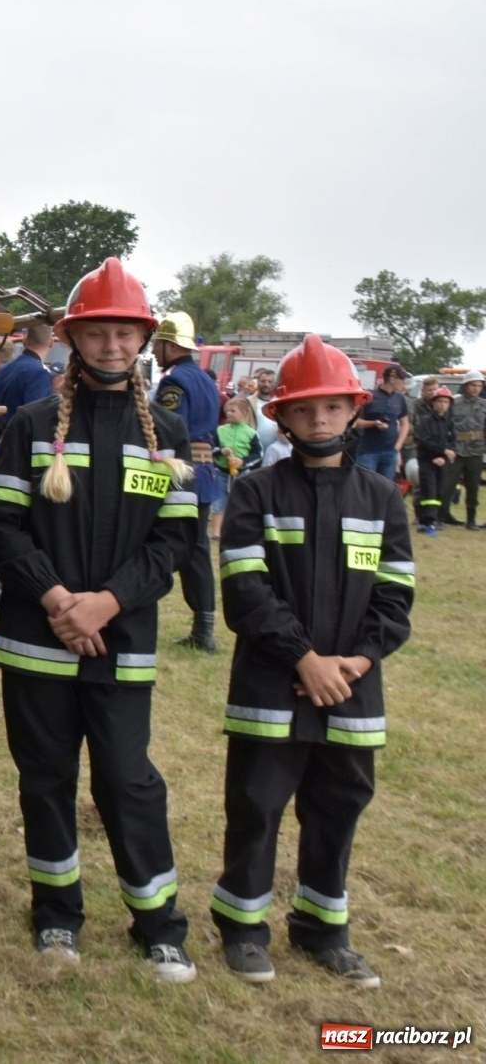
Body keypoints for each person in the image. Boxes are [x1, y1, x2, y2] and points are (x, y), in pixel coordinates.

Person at [0, 258, 201, 984]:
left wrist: (106, 602)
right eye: (98, 332)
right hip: (37, 640)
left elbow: (174, 541)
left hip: (122, 639)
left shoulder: (165, 432)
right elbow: (3, 528)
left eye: (125, 332)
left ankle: (159, 924)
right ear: (74, 338)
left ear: (143, 337)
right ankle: (56, 916)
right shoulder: (30, 425)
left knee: (125, 777)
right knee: (45, 778)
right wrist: (56, 601)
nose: (112, 345)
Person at [211, 334, 413, 987]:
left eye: (331, 407)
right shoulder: (256, 493)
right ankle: (243, 928)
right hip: (273, 682)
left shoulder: (383, 499)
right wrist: (303, 657)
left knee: (338, 806)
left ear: (354, 410)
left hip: (352, 687)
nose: (319, 420)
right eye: (304, 409)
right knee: (257, 804)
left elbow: (396, 595)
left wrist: (355, 661)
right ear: (283, 417)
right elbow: (246, 591)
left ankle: (323, 929)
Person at [152, 311, 223, 654]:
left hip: (181, 474)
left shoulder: (173, 382)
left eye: (157, 344)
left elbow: (168, 428)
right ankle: (203, 627)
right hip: (205, 474)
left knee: (179, 548)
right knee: (197, 551)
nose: (153, 351)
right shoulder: (206, 379)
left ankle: (203, 630)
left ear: (169, 345)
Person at [0, 323, 54, 464]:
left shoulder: (3, 370)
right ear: (51, 343)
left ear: (24, 341)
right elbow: (37, 422)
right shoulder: (40, 373)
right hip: (19, 455)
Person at [213, 396, 261, 540]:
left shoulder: (251, 433)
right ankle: (216, 532)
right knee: (219, 502)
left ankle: (234, 530)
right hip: (221, 472)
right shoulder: (220, 430)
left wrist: (243, 461)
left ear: (244, 413)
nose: (228, 413)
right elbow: (212, 448)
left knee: (239, 502)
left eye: (233, 411)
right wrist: (221, 451)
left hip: (242, 474)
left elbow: (258, 454)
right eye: (227, 410)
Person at [412, 386, 457, 536]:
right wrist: (441, 452)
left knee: (438, 492)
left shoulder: (449, 422)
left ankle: (431, 520)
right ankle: (426, 522)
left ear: (449, 404)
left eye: (446, 402)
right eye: (440, 401)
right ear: (433, 403)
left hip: (442, 462)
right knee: (428, 491)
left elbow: (452, 442)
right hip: (427, 461)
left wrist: (444, 457)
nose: (443, 404)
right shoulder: (425, 420)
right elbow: (425, 440)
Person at [353, 365, 408, 481]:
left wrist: (398, 445)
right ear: (392, 379)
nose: (404, 383)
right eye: (401, 380)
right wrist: (373, 423)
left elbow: (405, 423)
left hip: (390, 451)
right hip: (368, 451)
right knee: (366, 484)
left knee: (386, 486)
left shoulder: (400, 399)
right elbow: (354, 422)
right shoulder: (369, 396)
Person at [446, 371, 485, 529]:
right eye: (473, 385)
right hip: (456, 449)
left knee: (473, 486)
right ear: (465, 386)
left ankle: (471, 520)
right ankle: (443, 516)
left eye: (479, 385)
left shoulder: (484, 405)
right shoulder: (454, 403)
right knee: (448, 485)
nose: (476, 388)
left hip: (476, 450)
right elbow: (445, 425)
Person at [402, 376, 438, 485]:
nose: (433, 392)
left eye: (435, 389)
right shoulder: (415, 405)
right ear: (423, 391)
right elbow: (413, 426)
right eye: (429, 390)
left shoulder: (444, 405)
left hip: (437, 445)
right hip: (419, 445)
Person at [249, 369, 279, 453]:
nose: (266, 384)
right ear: (257, 382)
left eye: (270, 381)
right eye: (263, 381)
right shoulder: (249, 402)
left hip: (274, 453)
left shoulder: (280, 403)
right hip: (253, 451)